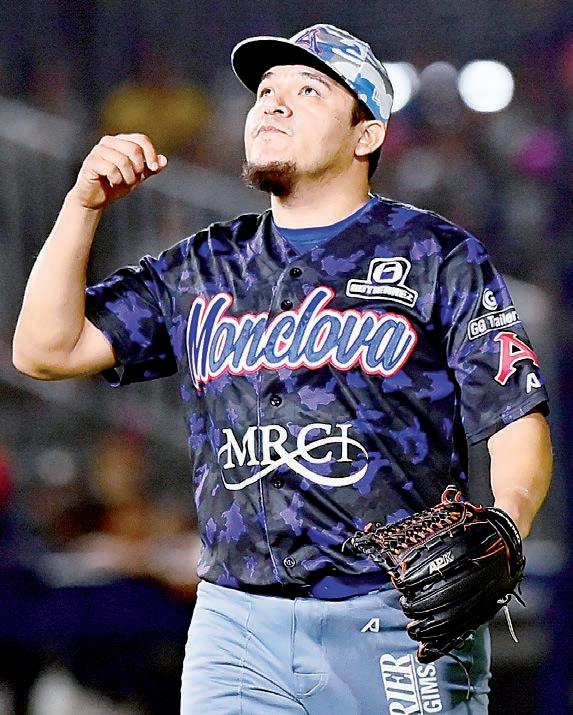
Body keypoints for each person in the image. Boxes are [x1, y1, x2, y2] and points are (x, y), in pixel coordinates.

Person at [12, 23, 552, 715]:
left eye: (308, 90)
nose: (273, 103)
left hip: (396, 616)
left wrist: (506, 523)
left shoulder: (434, 253)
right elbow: (44, 349)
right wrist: (81, 206)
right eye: (265, 90)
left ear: (366, 134)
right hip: (236, 625)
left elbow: (514, 416)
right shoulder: (205, 264)